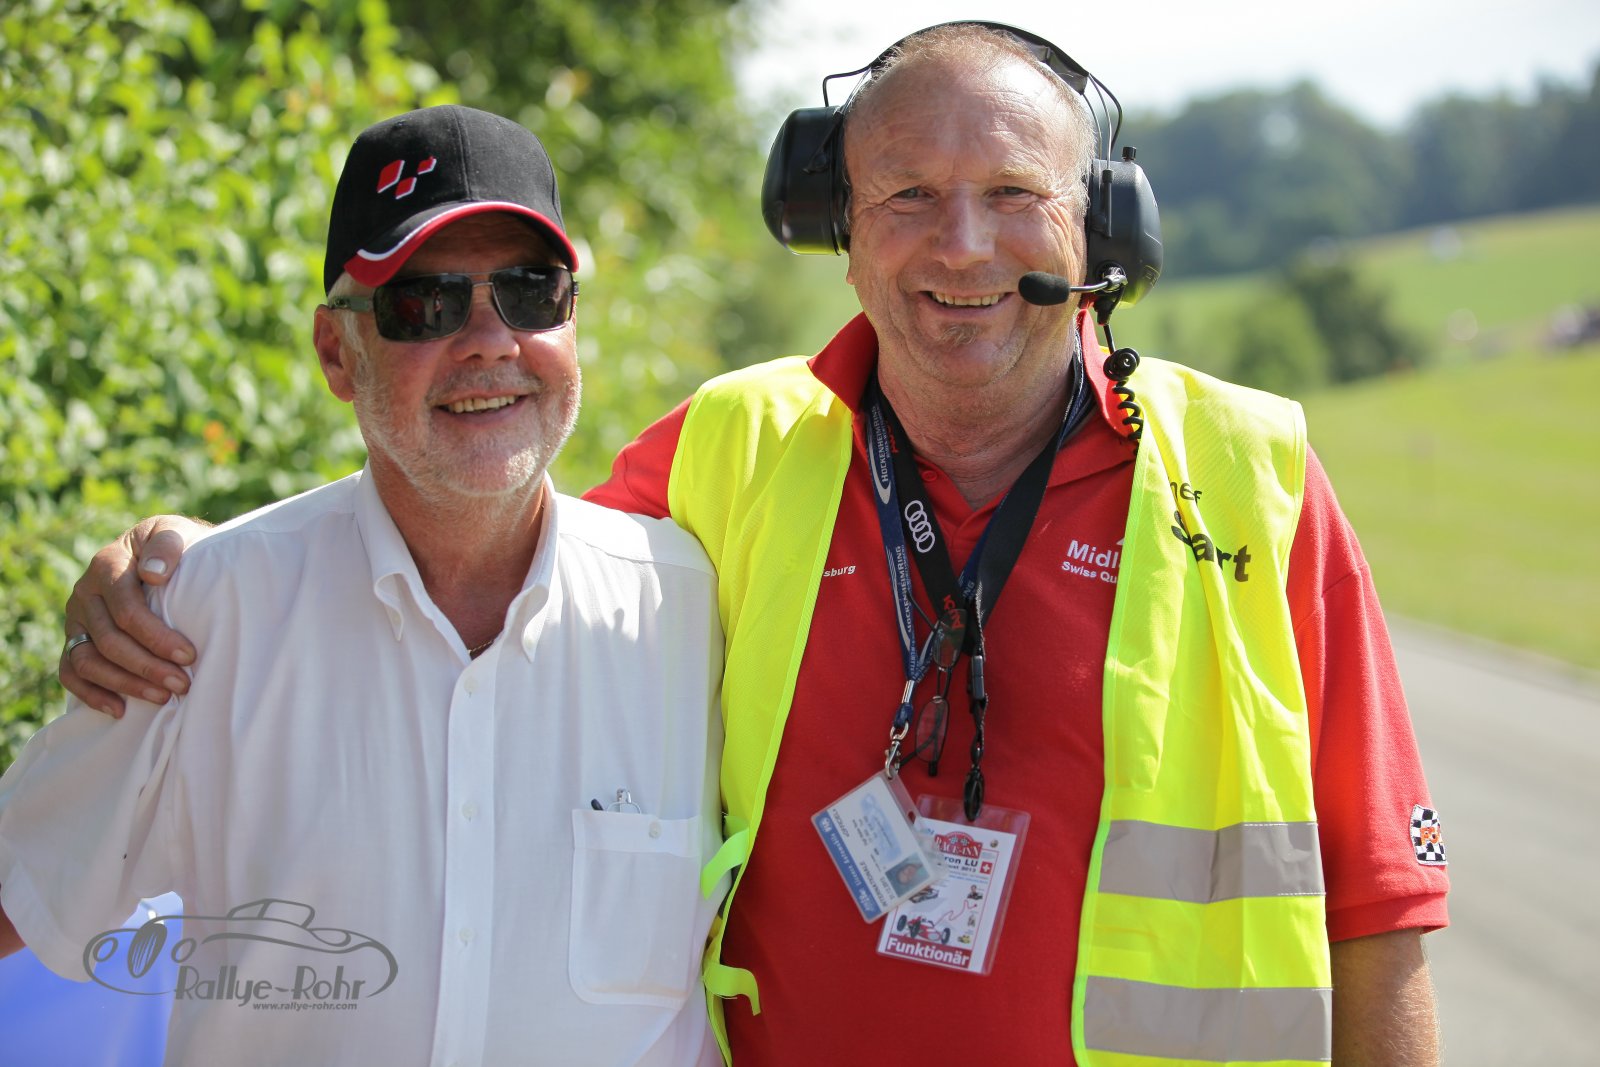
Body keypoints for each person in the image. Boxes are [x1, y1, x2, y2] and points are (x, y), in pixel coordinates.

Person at [57, 23, 1449, 1067]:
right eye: (906, 197)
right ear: (835, 230)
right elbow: (481, 532)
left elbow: (1379, 907)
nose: (961, 245)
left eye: (1015, 193)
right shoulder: (737, 445)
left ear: (1099, 225)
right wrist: (198, 565)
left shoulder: (1250, 480)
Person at [2, 104, 726, 1066]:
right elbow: (20, 893)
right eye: (423, 303)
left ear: (572, 319)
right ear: (336, 352)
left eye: (529, 291)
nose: (489, 340)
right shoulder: (201, 619)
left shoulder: (698, 615)